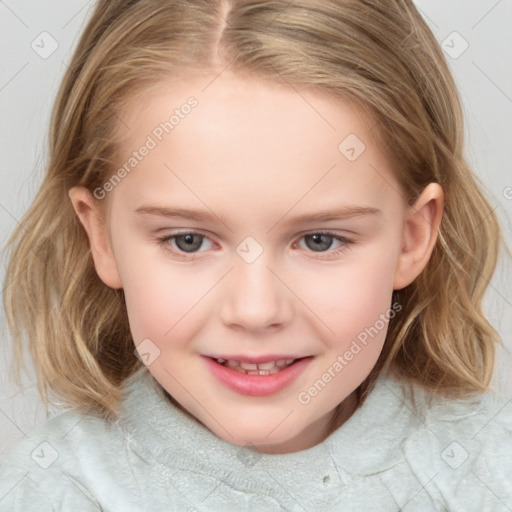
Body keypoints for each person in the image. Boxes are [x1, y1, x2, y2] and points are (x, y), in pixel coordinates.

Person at [1, 0, 511, 510]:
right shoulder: (51, 492)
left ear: (412, 237)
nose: (255, 310)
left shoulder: (489, 472)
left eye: (320, 240)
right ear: (102, 239)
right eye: (188, 241)